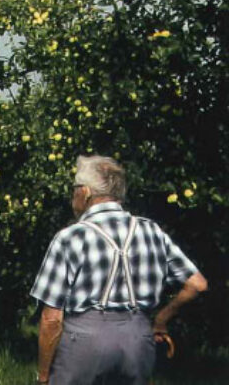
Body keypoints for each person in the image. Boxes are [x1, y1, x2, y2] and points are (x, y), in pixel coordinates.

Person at [30, 155, 207, 384]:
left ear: (84, 192)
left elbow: (52, 319)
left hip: (84, 345)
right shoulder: (151, 231)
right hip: (138, 342)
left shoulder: (70, 237)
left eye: (74, 189)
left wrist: (43, 376)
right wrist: (161, 319)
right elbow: (197, 284)